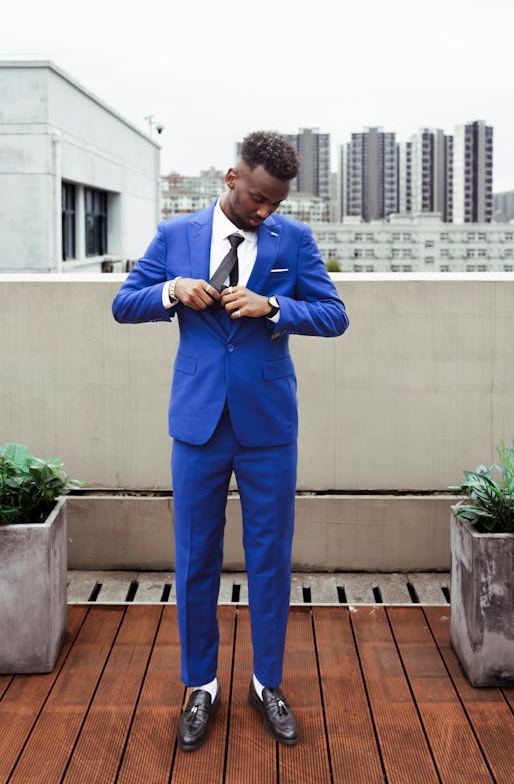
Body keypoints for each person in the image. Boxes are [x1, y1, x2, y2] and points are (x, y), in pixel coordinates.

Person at [112, 131, 348, 751]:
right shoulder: (175, 236)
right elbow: (122, 303)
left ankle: (267, 682)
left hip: (268, 424)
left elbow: (334, 314)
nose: (266, 210)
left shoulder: (293, 241)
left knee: (271, 558)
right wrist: (170, 291)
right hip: (197, 425)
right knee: (195, 559)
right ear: (231, 178)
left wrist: (274, 306)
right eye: (258, 197)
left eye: (276, 201)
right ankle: (201, 687)